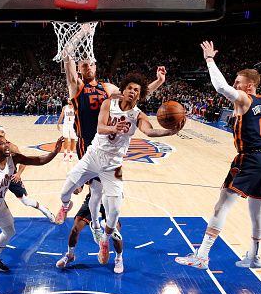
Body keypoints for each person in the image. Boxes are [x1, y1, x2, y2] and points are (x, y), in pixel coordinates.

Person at [176, 41, 261, 270]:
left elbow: (221, 87)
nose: (235, 85)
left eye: (238, 82)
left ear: (249, 85)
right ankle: (254, 257)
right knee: (257, 211)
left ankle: (202, 256)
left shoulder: (245, 99)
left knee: (222, 206)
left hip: (249, 159)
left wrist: (209, 60)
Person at [54, 23, 166, 255]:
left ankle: (98, 229)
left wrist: (158, 83)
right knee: (83, 191)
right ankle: (84, 217)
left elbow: (135, 95)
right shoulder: (76, 87)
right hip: (88, 147)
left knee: (96, 193)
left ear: (95, 66)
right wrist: (82, 33)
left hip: (109, 147)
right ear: (79, 68)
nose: (86, 66)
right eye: (82, 64)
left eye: (90, 63)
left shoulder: (108, 88)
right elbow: (66, 55)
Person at [56, 73, 179, 273]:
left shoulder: (138, 115)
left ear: (139, 96)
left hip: (113, 166)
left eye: (137, 90)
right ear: (123, 89)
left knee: (113, 216)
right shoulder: (108, 103)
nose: (132, 91)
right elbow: (100, 127)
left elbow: (149, 131)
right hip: (93, 157)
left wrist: (169, 132)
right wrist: (115, 127)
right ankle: (65, 205)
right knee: (65, 192)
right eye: (130, 88)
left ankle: (104, 241)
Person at [0, 135, 64, 294]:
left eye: (7, 141)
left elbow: (38, 160)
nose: (7, 144)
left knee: (10, 230)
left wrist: (54, 152)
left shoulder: (13, 159)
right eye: (2, 143)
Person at [0, 126, 55, 222]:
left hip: (11, 176)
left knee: (26, 201)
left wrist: (18, 174)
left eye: (2, 132)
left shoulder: (12, 147)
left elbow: (23, 161)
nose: (0, 133)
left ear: (5, 134)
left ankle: (45, 211)